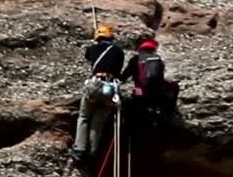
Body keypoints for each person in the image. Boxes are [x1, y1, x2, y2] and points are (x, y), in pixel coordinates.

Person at [70, 24, 125, 162]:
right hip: (110, 87)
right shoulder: (118, 51)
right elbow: (118, 70)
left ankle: (79, 149)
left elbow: (88, 56)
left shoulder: (92, 48)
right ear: (111, 37)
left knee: (84, 117)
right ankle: (92, 152)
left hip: (95, 85)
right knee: (98, 122)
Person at [121, 39, 176, 124]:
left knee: (131, 109)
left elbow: (125, 75)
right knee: (175, 86)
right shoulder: (157, 59)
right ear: (153, 50)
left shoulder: (135, 59)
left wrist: (120, 79)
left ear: (141, 49)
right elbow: (160, 76)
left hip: (139, 91)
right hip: (157, 92)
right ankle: (170, 112)